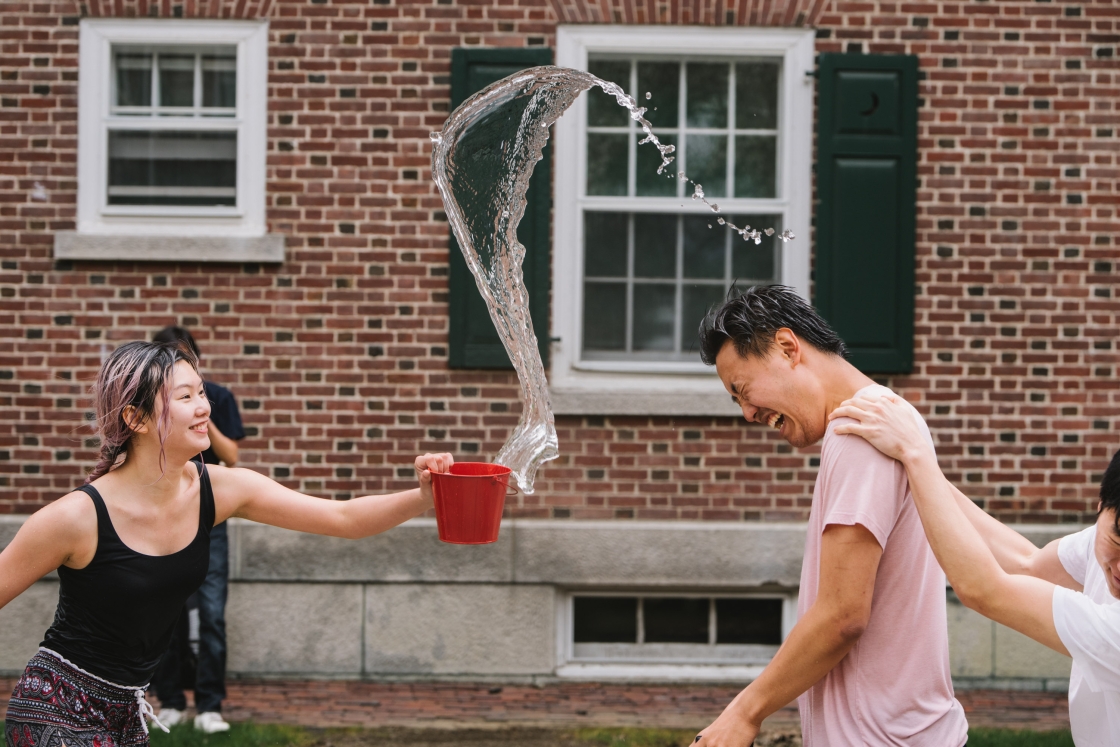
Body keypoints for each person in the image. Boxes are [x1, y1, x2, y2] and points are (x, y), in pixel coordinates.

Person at [0, 341, 452, 747]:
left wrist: (424, 496)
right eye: (185, 397)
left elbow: (343, 518)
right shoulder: (75, 518)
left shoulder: (219, 489)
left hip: (125, 713)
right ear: (135, 418)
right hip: (54, 710)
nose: (204, 407)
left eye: (201, 392)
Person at [692, 285, 967, 747]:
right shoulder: (889, 421)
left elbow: (843, 614)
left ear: (786, 347)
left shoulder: (860, 434)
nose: (747, 413)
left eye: (743, 390)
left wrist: (743, 714)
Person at [831, 391, 1120, 746]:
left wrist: (915, 453)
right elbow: (1026, 565)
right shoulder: (1095, 543)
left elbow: (985, 589)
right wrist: (914, 460)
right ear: (1100, 505)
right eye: (1117, 542)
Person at [149, 326, 245, 733]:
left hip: (209, 516)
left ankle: (209, 705)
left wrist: (200, 409)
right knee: (163, 612)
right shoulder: (149, 403)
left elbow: (233, 456)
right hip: (164, 515)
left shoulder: (217, 398)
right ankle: (169, 700)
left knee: (211, 614)